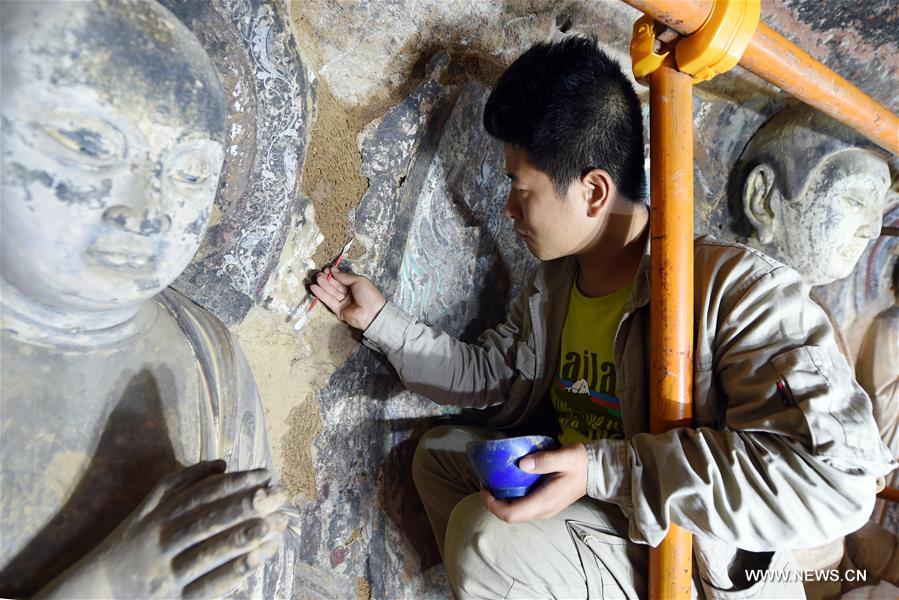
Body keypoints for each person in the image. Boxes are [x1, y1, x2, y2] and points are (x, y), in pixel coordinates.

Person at [311, 37, 894, 597]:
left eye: (519, 186)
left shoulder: (736, 291)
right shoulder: (557, 282)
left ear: (593, 191)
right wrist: (381, 320)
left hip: (677, 549)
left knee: (484, 542)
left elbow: (837, 487)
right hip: (599, 502)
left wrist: (604, 470)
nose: (508, 208)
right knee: (441, 458)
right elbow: (491, 371)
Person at [0, 2, 294, 597]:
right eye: (86, 143)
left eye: (187, 173)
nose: (145, 211)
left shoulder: (207, 352)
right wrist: (110, 584)